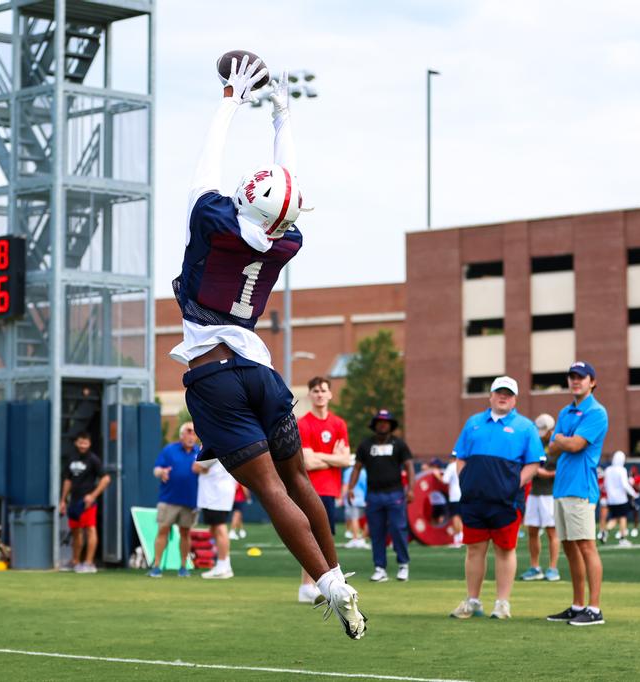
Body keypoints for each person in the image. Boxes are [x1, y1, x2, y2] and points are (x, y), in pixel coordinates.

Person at [170, 57, 366, 638]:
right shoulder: (287, 242)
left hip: (215, 374)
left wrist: (231, 98)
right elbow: (288, 187)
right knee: (299, 479)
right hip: (261, 370)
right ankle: (332, 572)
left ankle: (330, 586)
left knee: (267, 490)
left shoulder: (214, 221)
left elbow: (204, 163)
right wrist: (282, 116)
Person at [447, 377, 542, 620]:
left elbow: (533, 464)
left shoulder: (525, 426)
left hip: (506, 502)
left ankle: (502, 603)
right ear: (490, 395)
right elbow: (461, 457)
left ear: (515, 399)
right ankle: (473, 600)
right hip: (475, 500)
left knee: (505, 549)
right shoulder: (473, 423)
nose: (503, 397)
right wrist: (466, 481)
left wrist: (511, 486)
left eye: (508, 394)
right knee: (474, 550)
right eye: (499, 392)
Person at [546, 361, 609, 627]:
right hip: (562, 486)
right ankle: (578, 605)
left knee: (586, 546)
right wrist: (560, 441)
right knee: (570, 547)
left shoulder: (596, 412)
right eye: (572, 377)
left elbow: (573, 445)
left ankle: (594, 609)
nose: (575, 381)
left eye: (581, 377)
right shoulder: (565, 411)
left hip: (581, 487)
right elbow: (551, 450)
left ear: (592, 382)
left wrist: (560, 439)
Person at [297, 376, 352, 602]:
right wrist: (333, 458)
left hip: (330, 489)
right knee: (314, 538)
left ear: (330, 394)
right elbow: (307, 462)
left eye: (323, 390)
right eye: (316, 391)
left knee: (325, 538)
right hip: (311, 489)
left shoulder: (339, 424)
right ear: (310, 395)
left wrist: (324, 457)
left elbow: (346, 459)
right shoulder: (304, 423)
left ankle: (318, 584)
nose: (320, 394)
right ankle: (308, 586)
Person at [348, 410, 414, 584]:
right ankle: (380, 568)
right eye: (379, 421)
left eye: (386, 422)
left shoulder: (399, 444)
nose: (383, 424)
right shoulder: (365, 445)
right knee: (376, 532)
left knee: (398, 529)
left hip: (396, 494)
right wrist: (350, 487)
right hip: (374, 495)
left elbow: (409, 466)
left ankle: (403, 565)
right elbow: (357, 467)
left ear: (391, 425)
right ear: (374, 424)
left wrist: (411, 489)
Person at [148, 422, 200, 578]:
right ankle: (156, 566)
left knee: (185, 533)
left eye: (194, 433)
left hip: (190, 500)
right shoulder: (169, 449)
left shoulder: (200, 452)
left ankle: (183, 567)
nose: (191, 436)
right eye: (188, 432)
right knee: (163, 530)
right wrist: (161, 472)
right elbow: (156, 469)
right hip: (168, 499)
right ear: (181, 434)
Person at [58, 432, 111, 573]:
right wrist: (63, 500)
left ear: (89, 444)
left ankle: (89, 563)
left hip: (87, 501)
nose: (82, 445)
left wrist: (93, 496)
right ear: (76, 443)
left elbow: (106, 479)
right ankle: (75, 561)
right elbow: (68, 480)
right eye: (80, 442)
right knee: (76, 531)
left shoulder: (93, 460)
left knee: (90, 529)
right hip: (73, 500)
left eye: (85, 443)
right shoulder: (71, 458)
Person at [520, 413, 561, 582]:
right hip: (535, 492)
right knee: (532, 531)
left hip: (549, 494)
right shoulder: (534, 444)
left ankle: (553, 568)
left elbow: (563, 470)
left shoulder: (558, 446)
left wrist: (547, 474)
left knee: (552, 532)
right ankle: (535, 567)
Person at [193, 455, 237, 579]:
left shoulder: (213, 444)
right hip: (215, 493)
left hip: (216, 494)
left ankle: (223, 566)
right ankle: (224, 565)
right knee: (215, 528)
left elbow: (196, 467)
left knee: (219, 528)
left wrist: (200, 467)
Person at [602, 451, 638, 547]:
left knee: (614, 518)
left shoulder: (608, 470)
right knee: (622, 518)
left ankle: (604, 531)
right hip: (621, 499)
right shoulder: (622, 470)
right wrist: (633, 493)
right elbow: (625, 485)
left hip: (611, 499)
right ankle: (623, 539)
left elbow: (605, 485)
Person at [342, 465, 370, 549]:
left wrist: (341, 497)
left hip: (352, 498)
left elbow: (346, 485)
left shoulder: (348, 471)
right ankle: (362, 539)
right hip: (363, 498)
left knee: (354, 518)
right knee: (365, 519)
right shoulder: (364, 472)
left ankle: (355, 540)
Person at [440, 454, 463, 548]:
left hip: (455, 495)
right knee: (461, 517)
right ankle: (461, 537)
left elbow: (445, 480)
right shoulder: (465, 464)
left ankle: (458, 539)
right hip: (464, 494)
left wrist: (437, 475)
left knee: (455, 517)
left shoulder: (451, 466)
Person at [628, 465, 640, 538]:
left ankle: (635, 529)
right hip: (627, 498)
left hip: (636, 497)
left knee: (636, 514)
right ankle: (624, 529)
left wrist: (633, 483)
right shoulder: (627, 478)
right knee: (624, 514)